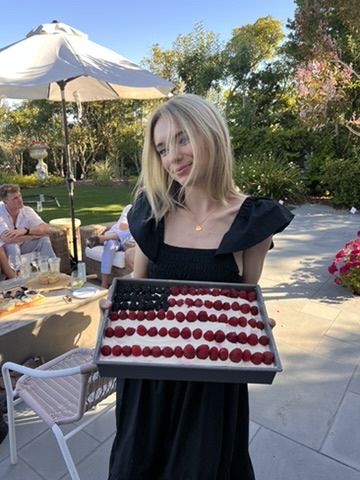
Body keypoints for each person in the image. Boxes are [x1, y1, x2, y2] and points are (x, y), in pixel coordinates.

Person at [106, 94, 294, 480]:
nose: (172, 156)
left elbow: (243, 301)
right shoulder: (151, 210)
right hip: (147, 382)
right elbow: (139, 285)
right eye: (161, 148)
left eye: (182, 139)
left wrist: (253, 329)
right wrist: (115, 308)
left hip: (211, 388)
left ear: (211, 135)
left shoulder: (252, 222)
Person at [0, 184, 55, 259]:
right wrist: (32, 236)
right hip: (4, 250)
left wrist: (25, 231)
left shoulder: (27, 211)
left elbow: (45, 229)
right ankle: (16, 270)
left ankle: (51, 268)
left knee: (44, 240)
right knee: (13, 246)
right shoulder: (0, 213)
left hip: (23, 244)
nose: (20, 200)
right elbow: (8, 239)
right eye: (15, 198)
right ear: (5, 202)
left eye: (20, 196)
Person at [86, 204, 135, 288]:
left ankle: (102, 239)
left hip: (129, 242)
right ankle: (104, 283)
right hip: (115, 236)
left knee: (134, 231)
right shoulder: (129, 208)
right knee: (110, 244)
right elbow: (122, 226)